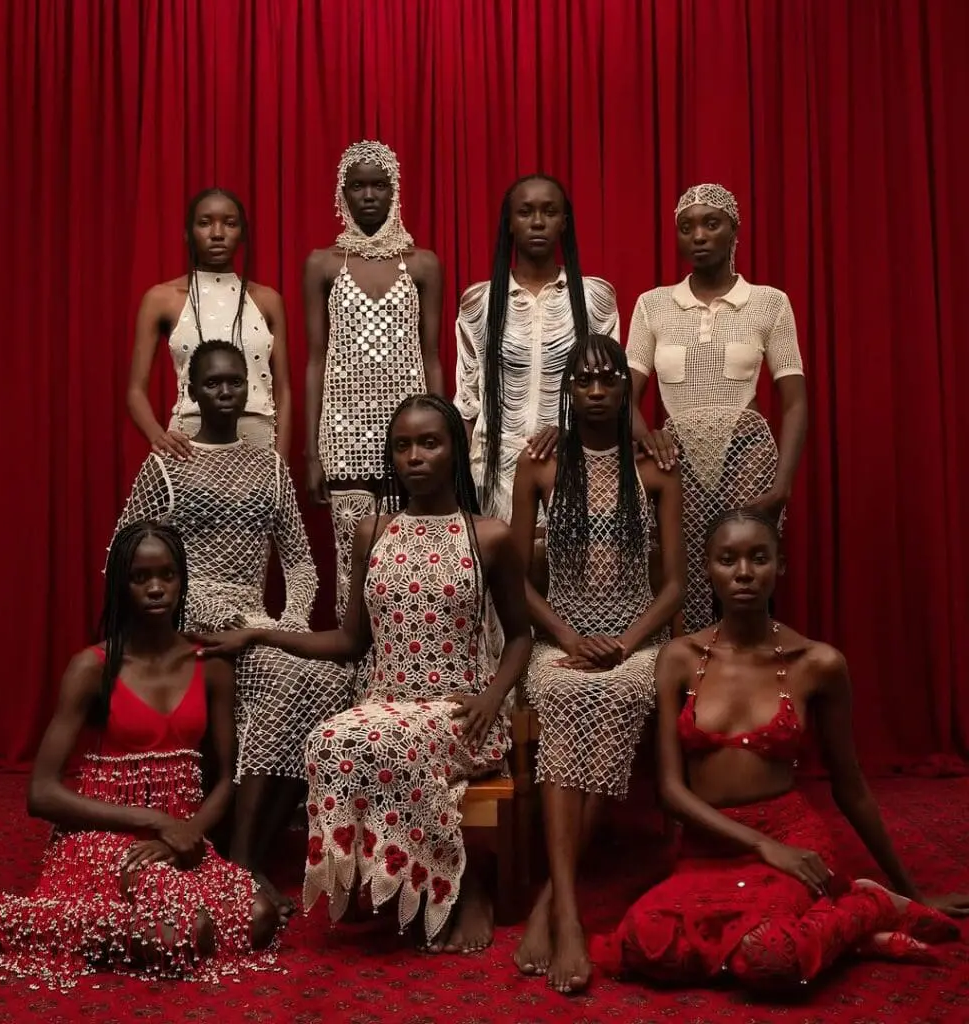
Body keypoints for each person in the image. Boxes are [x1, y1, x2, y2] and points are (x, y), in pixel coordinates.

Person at [195, 395, 533, 953]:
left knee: (378, 739)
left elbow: (520, 636)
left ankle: (463, 884)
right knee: (329, 740)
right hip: (383, 703)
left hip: (462, 711)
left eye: (430, 442)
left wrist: (493, 698)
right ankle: (401, 879)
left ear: (453, 450)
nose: (415, 456)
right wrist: (259, 633)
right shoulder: (372, 530)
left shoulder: (488, 535)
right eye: (402, 446)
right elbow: (350, 642)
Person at [591, 509, 969, 992]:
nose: (744, 573)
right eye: (727, 560)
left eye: (758, 558)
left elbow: (850, 785)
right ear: (707, 568)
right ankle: (847, 922)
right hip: (710, 846)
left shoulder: (817, 663)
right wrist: (759, 846)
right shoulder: (680, 658)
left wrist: (912, 890)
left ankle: (874, 902)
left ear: (780, 565)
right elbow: (669, 790)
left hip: (792, 841)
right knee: (643, 944)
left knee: (771, 959)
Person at [0, 522, 281, 988]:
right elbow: (40, 794)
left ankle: (41, 924)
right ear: (119, 585)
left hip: (179, 843)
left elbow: (228, 779)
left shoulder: (211, 666)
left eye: (167, 574)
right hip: (101, 840)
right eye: (140, 577)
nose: (156, 587)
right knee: (184, 931)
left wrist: (183, 832)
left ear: (183, 579)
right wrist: (155, 820)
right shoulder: (91, 667)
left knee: (260, 917)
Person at [115, 340, 351, 914]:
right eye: (213, 383)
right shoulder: (169, 459)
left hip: (253, 617)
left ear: (250, 389)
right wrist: (160, 614)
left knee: (334, 682)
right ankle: (243, 862)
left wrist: (290, 619)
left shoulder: (267, 462)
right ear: (192, 391)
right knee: (283, 678)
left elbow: (297, 557)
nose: (226, 392)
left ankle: (253, 852)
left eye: (235, 383)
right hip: (187, 612)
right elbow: (123, 549)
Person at [509, 334, 686, 993]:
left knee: (613, 698)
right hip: (563, 639)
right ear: (569, 389)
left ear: (624, 387)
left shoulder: (655, 465)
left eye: (608, 379)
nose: (595, 391)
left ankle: (551, 907)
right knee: (559, 697)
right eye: (582, 381)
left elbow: (672, 585)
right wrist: (569, 634)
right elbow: (516, 581)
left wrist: (629, 640)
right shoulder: (542, 464)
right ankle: (570, 910)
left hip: (637, 641)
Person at [626, 183, 807, 632]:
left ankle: (756, 689)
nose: (699, 235)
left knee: (743, 580)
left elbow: (796, 400)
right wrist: (647, 436)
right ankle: (690, 693)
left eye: (712, 223)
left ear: (734, 231)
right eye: (687, 227)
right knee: (679, 582)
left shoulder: (769, 302)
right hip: (676, 461)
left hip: (746, 457)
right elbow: (623, 398)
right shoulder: (653, 306)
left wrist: (783, 485)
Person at [304, 141, 444, 621]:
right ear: (342, 193)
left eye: (378, 185)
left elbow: (431, 355)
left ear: (395, 191)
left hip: (408, 433)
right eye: (357, 185)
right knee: (353, 561)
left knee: (411, 556)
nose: (368, 195)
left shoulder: (422, 263)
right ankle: (356, 664)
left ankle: (410, 654)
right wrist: (311, 450)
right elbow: (316, 358)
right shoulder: (324, 263)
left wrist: (442, 436)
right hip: (342, 432)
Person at [455, 174, 620, 523]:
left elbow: (610, 387)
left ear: (564, 223)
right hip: (492, 470)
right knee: (502, 574)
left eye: (550, 211)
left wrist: (573, 431)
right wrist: (459, 483)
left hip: (573, 464)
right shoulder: (480, 302)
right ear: (510, 224)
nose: (538, 222)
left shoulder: (594, 299)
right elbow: (467, 400)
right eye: (525, 212)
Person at [128, 187, 291, 459]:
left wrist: (281, 460)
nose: (217, 233)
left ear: (243, 234)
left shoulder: (267, 300)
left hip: (259, 441)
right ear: (188, 233)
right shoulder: (161, 299)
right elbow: (134, 390)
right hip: (189, 443)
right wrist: (158, 436)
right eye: (205, 223)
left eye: (229, 223)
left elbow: (283, 389)